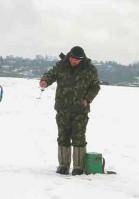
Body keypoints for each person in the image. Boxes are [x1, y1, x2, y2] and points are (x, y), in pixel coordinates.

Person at [39, 46, 100, 175]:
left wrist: (87, 99)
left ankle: (78, 167)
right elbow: (51, 74)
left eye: (77, 60)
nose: (74, 61)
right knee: (63, 137)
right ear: (69, 56)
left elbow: (95, 86)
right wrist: (45, 81)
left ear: (82, 59)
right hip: (63, 109)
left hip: (80, 110)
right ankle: (63, 165)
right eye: (72, 58)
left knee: (79, 138)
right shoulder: (62, 65)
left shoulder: (89, 69)